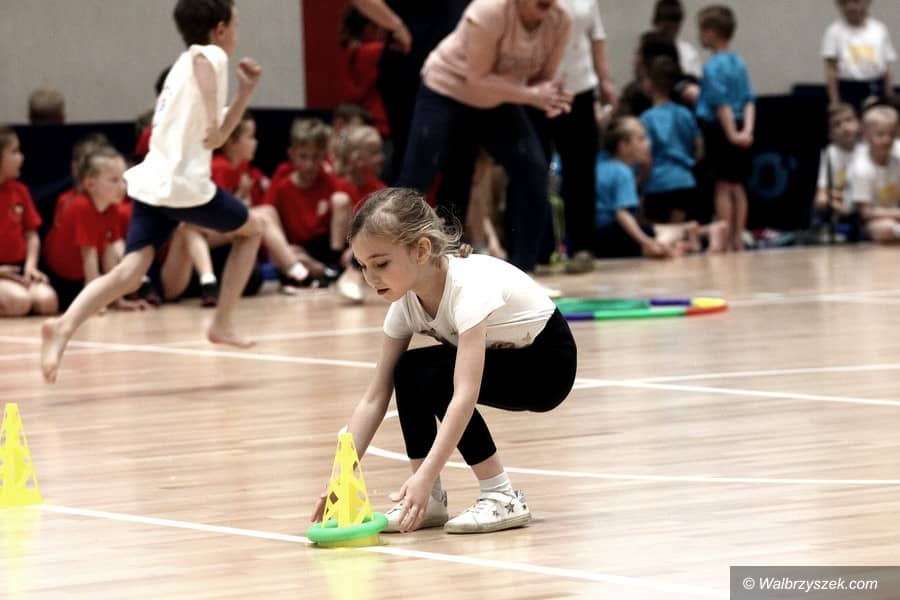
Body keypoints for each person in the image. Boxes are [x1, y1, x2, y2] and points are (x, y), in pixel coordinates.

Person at [309, 187, 577, 533]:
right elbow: (374, 397)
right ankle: (428, 502)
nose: (370, 278)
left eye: (381, 264)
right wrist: (339, 476)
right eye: (362, 266)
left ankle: (501, 496)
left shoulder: (468, 289)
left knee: (437, 377)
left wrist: (426, 472)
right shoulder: (405, 305)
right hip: (506, 358)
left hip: (546, 366)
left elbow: (464, 395)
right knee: (409, 371)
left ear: (421, 250)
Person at [40, 0, 264, 383]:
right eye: (236, 23)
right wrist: (213, 121)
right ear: (221, 28)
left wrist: (245, 93)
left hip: (154, 183)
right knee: (253, 231)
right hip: (182, 187)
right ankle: (222, 322)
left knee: (130, 272)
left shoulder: (180, 66)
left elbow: (219, 136)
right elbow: (207, 78)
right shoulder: (208, 55)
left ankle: (64, 326)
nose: (236, 32)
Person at [396, 0, 573, 274]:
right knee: (417, 177)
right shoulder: (488, 10)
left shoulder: (561, 20)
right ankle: (373, 261)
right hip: (447, 89)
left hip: (497, 98)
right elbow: (476, 79)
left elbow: (541, 81)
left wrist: (552, 96)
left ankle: (523, 271)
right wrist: (532, 96)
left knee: (533, 169)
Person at [532, 0, 617, 274]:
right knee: (533, 170)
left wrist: (605, 80)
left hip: (579, 90)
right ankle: (534, 250)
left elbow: (597, 36)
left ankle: (582, 248)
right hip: (534, 90)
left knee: (580, 171)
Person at [44, 148, 149, 312]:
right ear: (90, 184)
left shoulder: (111, 207)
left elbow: (109, 255)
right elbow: (89, 257)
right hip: (61, 281)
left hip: (82, 278)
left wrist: (118, 300)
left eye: (123, 179)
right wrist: (96, 302)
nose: (123, 186)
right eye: (114, 180)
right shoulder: (81, 207)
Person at [695, 5, 755, 252]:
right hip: (740, 125)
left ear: (712, 32)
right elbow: (749, 100)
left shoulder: (713, 67)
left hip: (721, 129)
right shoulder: (739, 62)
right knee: (738, 185)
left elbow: (722, 105)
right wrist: (747, 130)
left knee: (722, 186)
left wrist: (731, 134)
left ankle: (725, 235)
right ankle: (738, 236)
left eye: (702, 30)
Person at [263, 118, 351, 283]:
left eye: (316, 157)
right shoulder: (282, 183)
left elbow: (348, 210)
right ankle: (321, 272)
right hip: (298, 248)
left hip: (327, 248)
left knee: (341, 200)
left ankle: (332, 267)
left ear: (324, 156)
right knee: (289, 254)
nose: (309, 164)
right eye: (303, 156)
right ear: (291, 154)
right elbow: (268, 219)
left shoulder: (329, 180)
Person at [593, 116, 683, 259]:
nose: (648, 143)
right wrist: (646, 242)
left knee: (665, 229)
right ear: (623, 146)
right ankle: (659, 247)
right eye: (641, 139)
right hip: (611, 235)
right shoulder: (622, 172)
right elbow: (622, 214)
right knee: (672, 232)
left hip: (593, 235)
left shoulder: (601, 165)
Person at [0, 126, 58, 317]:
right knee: (19, 302)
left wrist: (30, 266)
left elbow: (31, 234)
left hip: (17, 268)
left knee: (47, 301)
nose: (21, 157)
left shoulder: (19, 190)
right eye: (15, 151)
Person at [823, 0, 896, 111]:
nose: (851, 7)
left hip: (875, 86)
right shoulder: (834, 32)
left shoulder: (879, 29)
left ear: (868, 2)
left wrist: (889, 95)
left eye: (856, 1)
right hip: (847, 88)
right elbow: (831, 69)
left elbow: (886, 67)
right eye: (845, 3)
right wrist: (835, 101)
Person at [847, 105, 900, 242]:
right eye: (880, 134)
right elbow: (866, 212)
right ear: (866, 136)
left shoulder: (897, 161)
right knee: (888, 228)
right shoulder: (861, 168)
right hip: (865, 223)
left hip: (894, 216)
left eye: (891, 134)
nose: (887, 139)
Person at [812, 103, 862, 239]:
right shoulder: (828, 154)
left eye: (849, 120)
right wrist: (835, 201)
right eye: (837, 124)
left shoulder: (867, 150)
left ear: (859, 124)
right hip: (840, 207)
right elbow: (821, 194)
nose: (845, 127)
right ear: (830, 133)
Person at [652, 0, 702, 79]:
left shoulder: (688, 52)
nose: (671, 27)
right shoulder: (646, 49)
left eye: (675, 23)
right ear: (656, 22)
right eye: (666, 22)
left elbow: (694, 80)